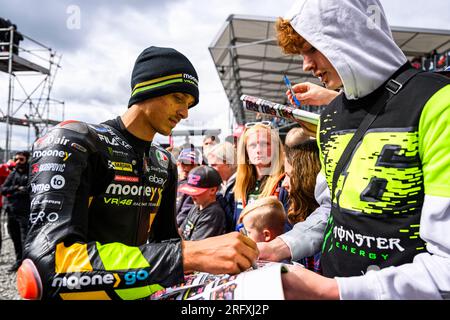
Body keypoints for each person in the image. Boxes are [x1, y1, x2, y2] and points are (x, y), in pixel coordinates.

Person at [19, 46, 258, 300]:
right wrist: (190, 254)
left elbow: (166, 242)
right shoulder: (77, 141)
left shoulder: (162, 161)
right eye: (178, 97)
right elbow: (47, 267)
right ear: (147, 89)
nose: (185, 113)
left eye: (189, 104)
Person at [275, 0, 450, 300]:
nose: (305, 65)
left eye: (311, 48)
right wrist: (282, 245)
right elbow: (333, 211)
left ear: (348, 34)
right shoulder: (330, 116)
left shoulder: (438, 103)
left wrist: (333, 290)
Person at [233, 121, 289, 231]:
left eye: (265, 144)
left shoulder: (285, 183)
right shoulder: (241, 184)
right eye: (253, 145)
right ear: (246, 152)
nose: (258, 150)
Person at [281, 140, 322, 273]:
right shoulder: (298, 213)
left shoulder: (334, 226)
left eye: (289, 175)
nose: (284, 184)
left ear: (306, 177)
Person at [1, 151, 31, 272]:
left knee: (25, 239)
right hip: (11, 212)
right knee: (15, 238)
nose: (18, 162)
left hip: (24, 213)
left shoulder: (31, 173)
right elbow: (3, 189)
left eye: (21, 159)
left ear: (27, 160)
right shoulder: (13, 173)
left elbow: (29, 189)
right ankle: (18, 262)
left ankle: (27, 265)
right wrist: (17, 188)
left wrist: (13, 192)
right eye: (16, 159)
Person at [179, 166, 226, 240]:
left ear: (213, 190)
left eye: (196, 192)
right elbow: (181, 231)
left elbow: (195, 246)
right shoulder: (196, 206)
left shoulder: (213, 214)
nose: (192, 195)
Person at [207, 142, 237, 232]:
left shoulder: (241, 184)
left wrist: (219, 197)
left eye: (214, 165)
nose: (210, 169)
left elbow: (234, 220)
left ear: (228, 163)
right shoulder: (220, 184)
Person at [175, 147, 201, 227]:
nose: (187, 168)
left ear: (198, 166)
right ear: (178, 163)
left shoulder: (195, 187)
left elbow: (183, 216)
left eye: (191, 164)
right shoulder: (172, 181)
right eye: (184, 163)